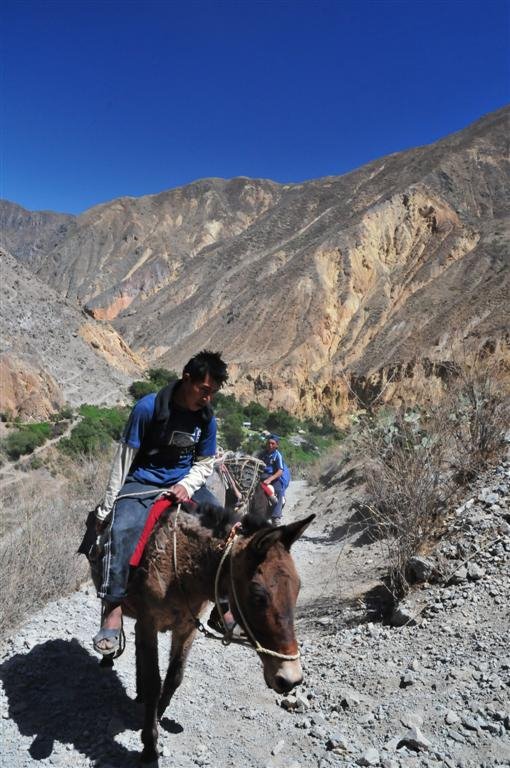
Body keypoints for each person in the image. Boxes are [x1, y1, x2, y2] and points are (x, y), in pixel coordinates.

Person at [92, 350, 228, 655]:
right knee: (122, 529)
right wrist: (106, 507)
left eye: (213, 393)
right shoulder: (148, 408)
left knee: (226, 529)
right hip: (142, 482)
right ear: (187, 378)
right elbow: (124, 459)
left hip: (184, 484)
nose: (208, 398)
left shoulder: (206, 418)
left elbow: (205, 463)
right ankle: (112, 607)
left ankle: (224, 604)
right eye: (204, 390)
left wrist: (186, 485)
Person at [258, 434, 285, 525]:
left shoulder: (278, 456)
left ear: (277, 445)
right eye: (269, 443)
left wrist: (270, 479)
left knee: (279, 492)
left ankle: (276, 516)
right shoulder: (262, 454)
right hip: (261, 477)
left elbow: (280, 471)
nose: (270, 445)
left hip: (272, 477)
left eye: (273, 444)